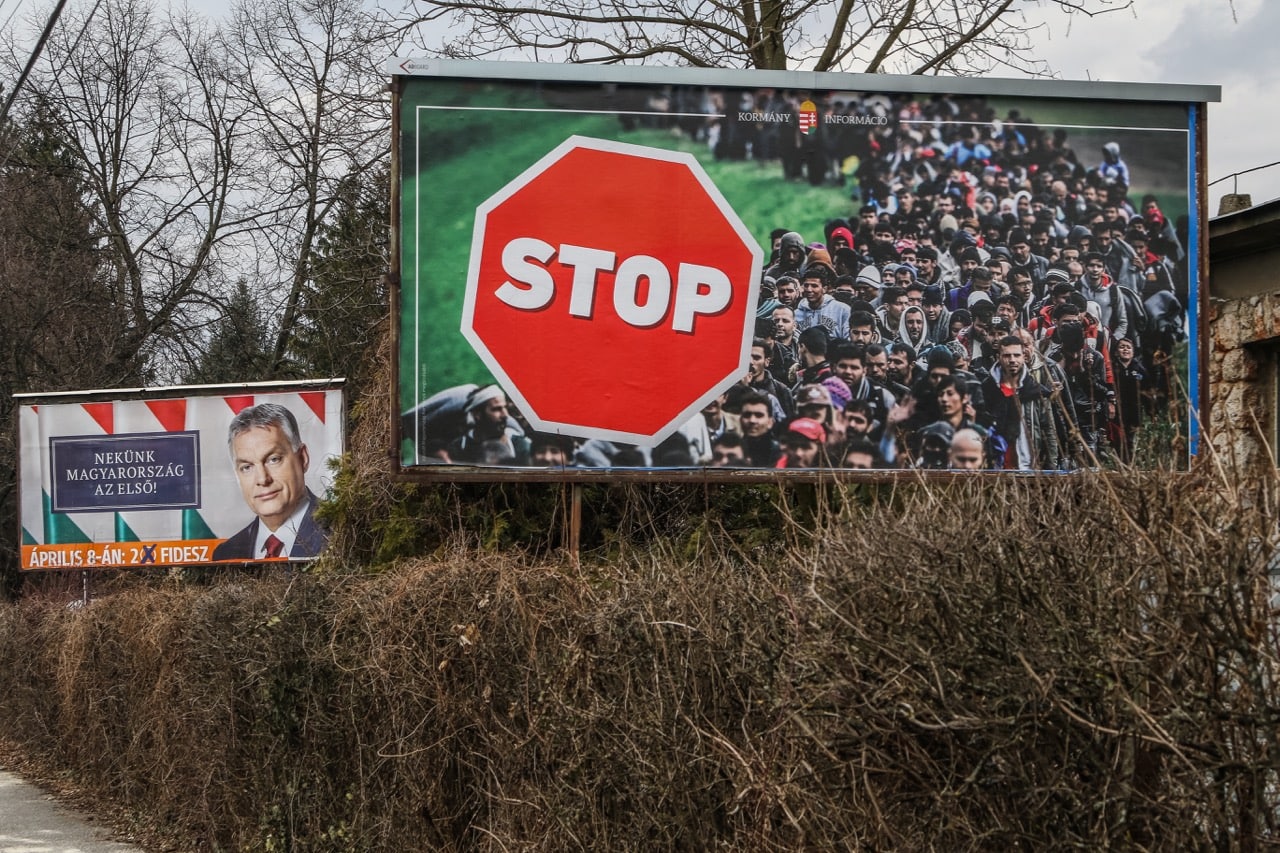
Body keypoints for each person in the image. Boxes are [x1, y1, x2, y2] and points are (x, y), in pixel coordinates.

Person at [213, 403, 328, 561]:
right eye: (247, 467)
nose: (262, 479)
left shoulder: (343, 534)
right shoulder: (225, 554)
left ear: (303, 458)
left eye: (273, 459)